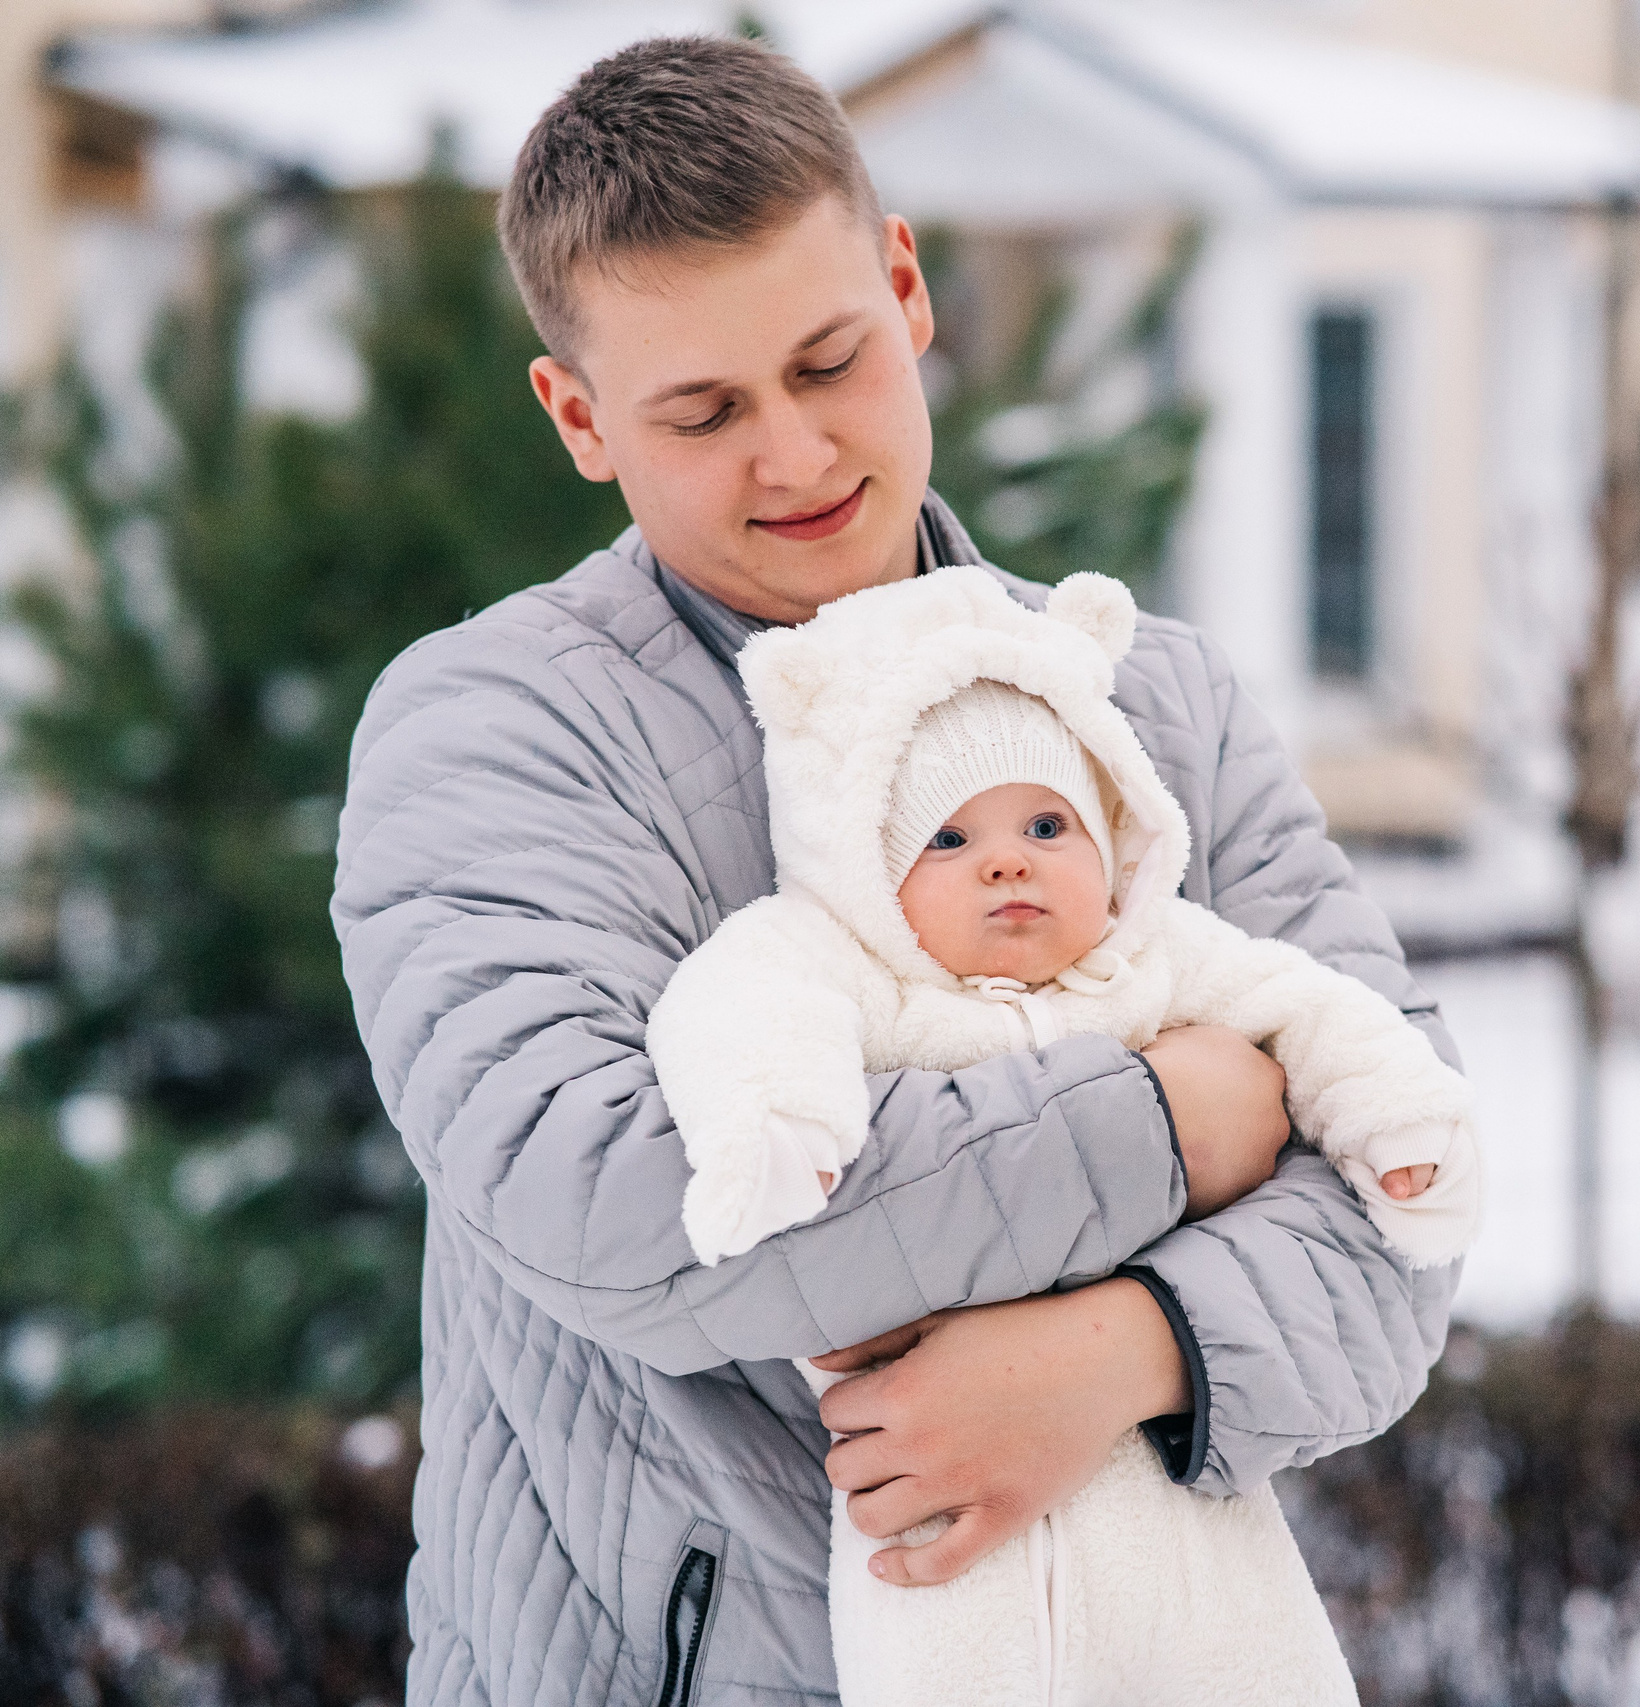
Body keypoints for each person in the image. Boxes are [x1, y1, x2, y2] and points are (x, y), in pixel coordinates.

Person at [328, 31, 1460, 1706]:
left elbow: (1410, 1201)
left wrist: (1119, 1354)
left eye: (829, 362)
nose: (792, 456)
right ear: (578, 415)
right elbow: (619, 1206)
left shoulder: (1151, 705)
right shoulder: (493, 734)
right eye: (702, 411)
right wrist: (1174, 1120)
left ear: (907, 288)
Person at [646, 565, 1481, 1705]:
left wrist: (1393, 1122)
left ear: (1114, 834)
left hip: (1173, 1482)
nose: (1007, 859)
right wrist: (781, 1122)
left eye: (1047, 823)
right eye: (946, 839)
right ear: (870, 874)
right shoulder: (858, 973)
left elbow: (1313, 1006)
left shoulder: (1156, 960)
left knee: (1254, 1665)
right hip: (932, 1499)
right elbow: (738, 1003)